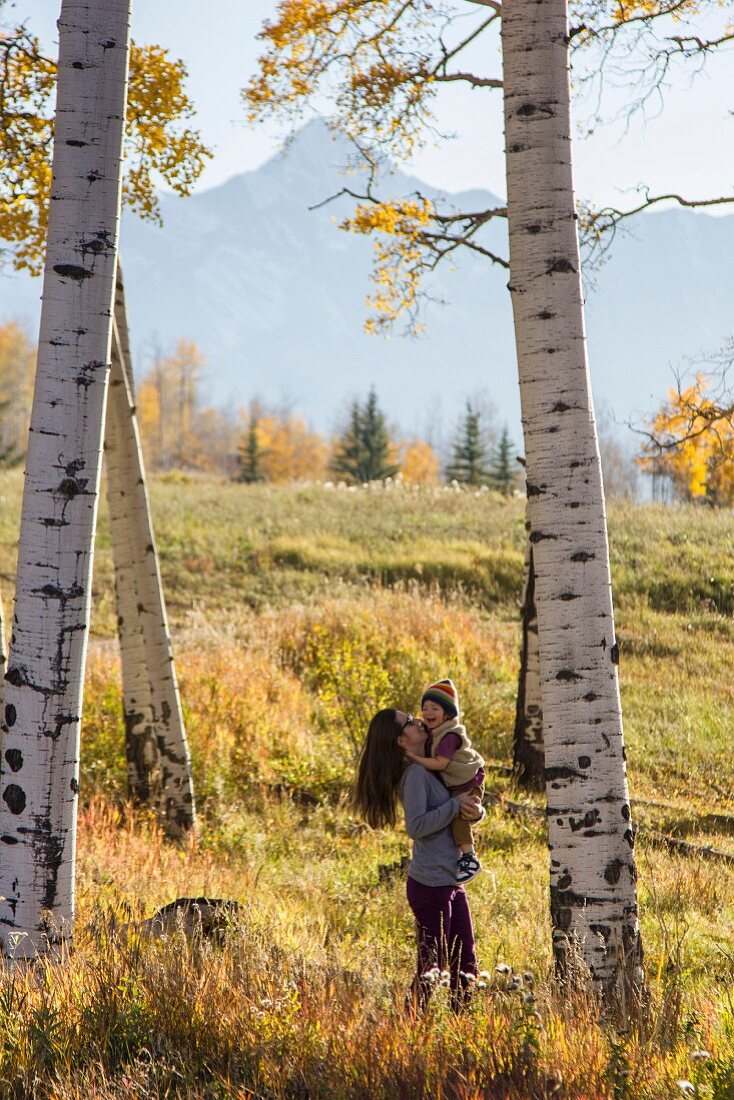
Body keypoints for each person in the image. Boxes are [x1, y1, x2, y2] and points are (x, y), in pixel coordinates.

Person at [354, 707, 483, 1011]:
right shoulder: (414, 776)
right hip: (431, 886)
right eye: (409, 722)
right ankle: (411, 1028)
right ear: (401, 741)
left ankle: (461, 1031)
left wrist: (475, 811)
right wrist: (454, 806)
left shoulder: (432, 767)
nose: (418, 721)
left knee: (466, 966)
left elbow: (461, 806)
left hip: (450, 881)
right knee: (432, 967)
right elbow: (417, 826)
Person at [405, 679, 485, 884]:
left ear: (449, 713)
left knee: (459, 818)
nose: (428, 712)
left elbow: (440, 763)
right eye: (424, 708)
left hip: (467, 782)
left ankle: (469, 857)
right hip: (436, 870)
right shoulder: (435, 733)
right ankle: (463, 856)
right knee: (458, 813)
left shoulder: (449, 735)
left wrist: (414, 758)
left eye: (435, 708)